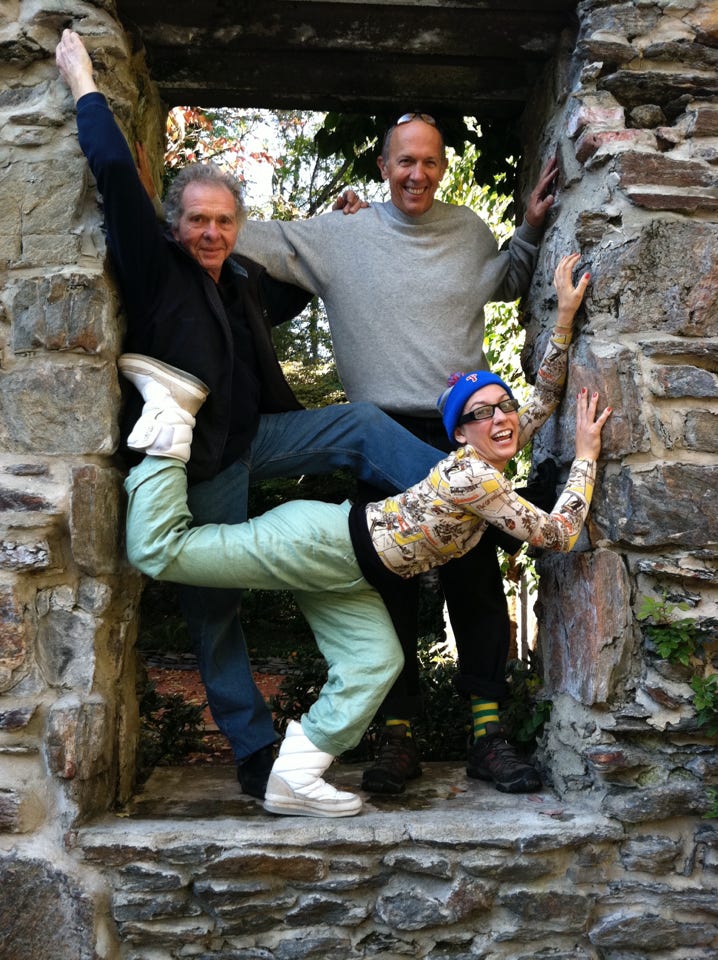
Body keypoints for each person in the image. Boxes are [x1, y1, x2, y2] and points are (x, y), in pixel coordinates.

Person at [55, 29, 445, 800]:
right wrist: (80, 82)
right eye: (197, 220)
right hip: (199, 460)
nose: (210, 232)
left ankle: (469, 491)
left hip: (256, 436)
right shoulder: (157, 268)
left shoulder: (236, 279)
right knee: (217, 609)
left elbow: (289, 299)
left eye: (223, 222)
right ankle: (254, 751)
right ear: (175, 224)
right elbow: (108, 169)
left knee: (360, 423)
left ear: (238, 226)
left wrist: (339, 231)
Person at [120, 254, 611, 818]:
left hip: (351, 575)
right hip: (318, 543)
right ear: (459, 434)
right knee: (159, 551)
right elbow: (556, 531)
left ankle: (294, 776)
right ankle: (168, 419)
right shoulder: (472, 473)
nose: (502, 418)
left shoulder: (490, 447)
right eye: (482, 414)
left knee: (376, 661)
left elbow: (543, 399)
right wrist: (587, 458)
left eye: (504, 406)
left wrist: (566, 316)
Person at [234, 112, 559, 794]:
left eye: (431, 163)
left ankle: (487, 735)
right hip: (374, 438)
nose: (418, 174)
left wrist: (528, 227)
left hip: (458, 435)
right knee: (389, 591)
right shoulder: (341, 236)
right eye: (405, 161)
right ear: (383, 167)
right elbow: (240, 235)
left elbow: (505, 280)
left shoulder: (469, 231)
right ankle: (398, 738)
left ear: (442, 168)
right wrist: (157, 208)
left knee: (475, 588)